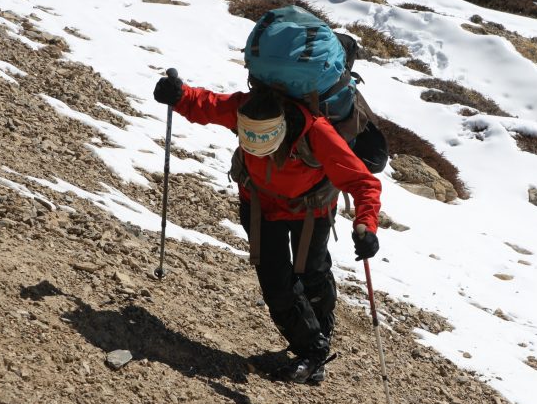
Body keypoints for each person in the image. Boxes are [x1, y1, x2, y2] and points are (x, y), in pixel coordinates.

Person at [153, 74, 382, 384]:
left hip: (310, 209)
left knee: (311, 273)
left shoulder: (316, 131)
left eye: (264, 144)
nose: (257, 150)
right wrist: (179, 95)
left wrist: (367, 225)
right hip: (261, 206)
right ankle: (312, 350)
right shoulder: (246, 110)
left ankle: (318, 344)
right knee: (276, 284)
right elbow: (207, 105)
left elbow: (363, 182)